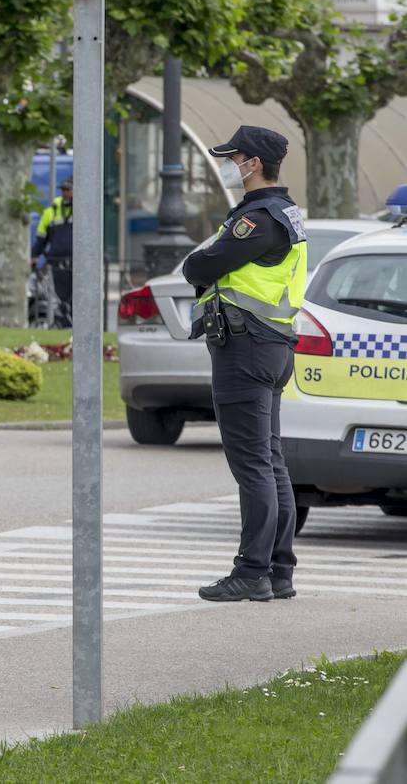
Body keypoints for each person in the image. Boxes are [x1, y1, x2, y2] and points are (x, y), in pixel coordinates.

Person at [182, 125, 306, 604]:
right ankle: (278, 571)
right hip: (271, 347)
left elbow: (200, 266)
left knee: (253, 464)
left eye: (234, 159)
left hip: (246, 346)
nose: (232, 167)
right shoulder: (285, 214)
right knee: (270, 461)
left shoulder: (259, 218)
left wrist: (201, 260)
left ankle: (252, 571)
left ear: (253, 163)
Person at [32, 178, 74, 327]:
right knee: (62, 297)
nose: (65, 193)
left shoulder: (82, 210)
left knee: (77, 296)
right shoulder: (51, 211)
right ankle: (65, 325)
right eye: (63, 190)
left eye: (68, 190)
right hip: (58, 261)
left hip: (77, 261)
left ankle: (73, 324)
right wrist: (34, 256)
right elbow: (41, 238)